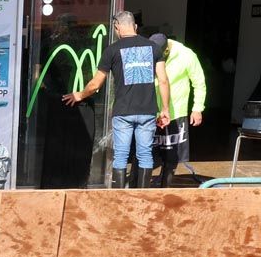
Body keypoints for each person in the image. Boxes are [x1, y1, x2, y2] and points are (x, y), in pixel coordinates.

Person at [63, 11, 171, 188]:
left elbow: (96, 84)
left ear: (117, 27)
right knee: (145, 155)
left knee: (121, 155)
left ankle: (118, 197)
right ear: (135, 26)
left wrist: (79, 95)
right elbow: (164, 80)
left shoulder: (112, 50)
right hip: (147, 111)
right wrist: (165, 109)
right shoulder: (154, 48)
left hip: (123, 112)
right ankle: (143, 196)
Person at [149, 33, 206, 187]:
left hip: (175, 112)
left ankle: (165, 187)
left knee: (171, 155)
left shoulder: (186, 55)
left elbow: (199, 82)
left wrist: (197, 108)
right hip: (151, 112)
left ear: (166, 51)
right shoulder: (148, 51)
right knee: (149, 153)